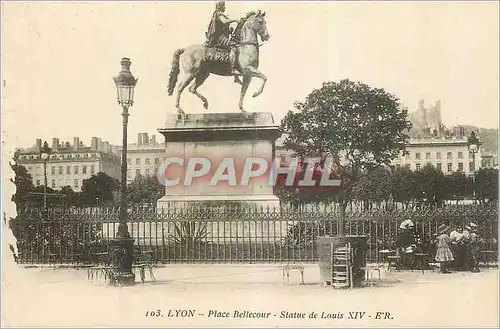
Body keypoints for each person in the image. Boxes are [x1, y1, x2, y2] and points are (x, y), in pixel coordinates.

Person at [205, 0, 240, 75]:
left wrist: (229, 31)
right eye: (224, 6)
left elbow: (222, 27)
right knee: (234, 47)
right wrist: (234, 20)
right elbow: (224, 21)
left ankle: (236, 76)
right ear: (220, 6)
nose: (225, 7)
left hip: (221, 36)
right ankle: (233, 69)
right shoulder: (219, 14)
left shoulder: (219, 14)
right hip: (219, 38)